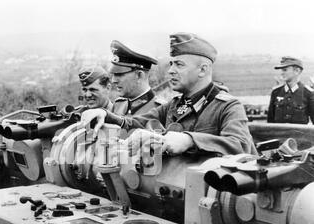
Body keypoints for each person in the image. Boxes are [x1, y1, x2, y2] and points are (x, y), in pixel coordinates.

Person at [80, 32, 256, 157]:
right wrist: (105, 114)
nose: (170, 71)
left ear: (202, 70)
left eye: (179, 64)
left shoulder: (227, 106)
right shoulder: (175, 104)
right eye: (171, 64)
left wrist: (189, 140)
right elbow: (135, 121)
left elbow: (240, 145)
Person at [109, 40, 164, 116]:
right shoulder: (118, 105)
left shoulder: (161, 110)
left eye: (119, 74)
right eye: (114, 75)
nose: (113, 80)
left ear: (139, 76)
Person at [267, 56, 314, 124]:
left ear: (297, 71)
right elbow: (270, 122)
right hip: (279, 134)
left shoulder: (308, 93)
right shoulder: (276, 92)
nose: (282, 73)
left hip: (299, 134)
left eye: (285, 70)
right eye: (281, 70)